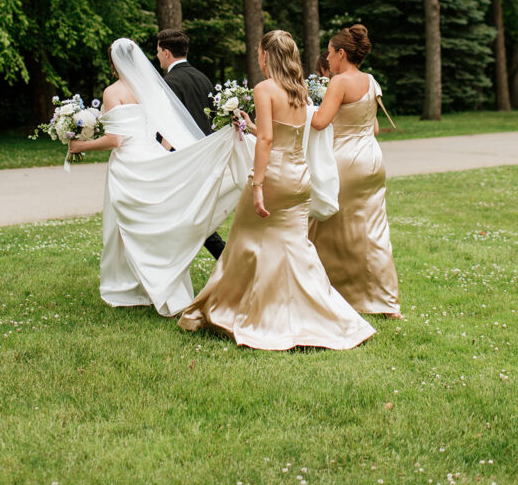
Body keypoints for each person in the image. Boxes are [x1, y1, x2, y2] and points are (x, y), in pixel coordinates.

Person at [177, 30, 375, 350]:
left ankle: (231, 309)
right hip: (300, 179)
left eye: (259, 51)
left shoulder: (265, 88)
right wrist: (251, 126)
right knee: (296, 249)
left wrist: (257, 184)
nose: (258, 56)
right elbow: (285, 134)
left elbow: (268, 142)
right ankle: (329, 316)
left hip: (274, 178)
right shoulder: (299, 92)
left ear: (266, 56)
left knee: (242, 244)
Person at [69, 39, 252, 316]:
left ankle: (128, 286)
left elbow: (116, 140)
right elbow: (161, 132)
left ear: (113, 62)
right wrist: (173, 155)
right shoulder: (149, 88)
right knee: (153, 224)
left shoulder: (112, 92)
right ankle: (151, 281)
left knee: (123, 226)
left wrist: (80, 146)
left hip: (128, 165)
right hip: (153, 156)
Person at [307, 24, 401, 318]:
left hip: (344, 160)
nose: (329, 59)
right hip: (372, 159)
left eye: (331, 53)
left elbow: (320, 122)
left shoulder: (339, 82)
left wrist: (300, 109)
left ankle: (323, 291)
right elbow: (373, 126)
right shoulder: (371, 81)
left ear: (342, 53)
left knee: (321, 224)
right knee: (373, 230)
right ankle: (386, 302)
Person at [156, 28, 225, 259]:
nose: (157, 57)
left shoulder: (170, 82)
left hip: (181, 159)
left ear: (166, 52)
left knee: (185, 215)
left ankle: (225, 256)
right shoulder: (203, 78)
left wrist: (160, 157)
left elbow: (168, 124)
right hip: (206, 155)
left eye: (157, 51)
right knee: (192, 216)